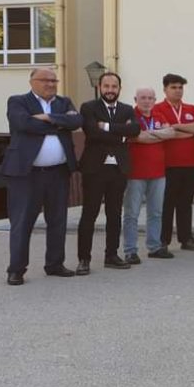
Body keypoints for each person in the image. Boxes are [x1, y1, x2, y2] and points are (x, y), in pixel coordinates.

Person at [3, 68, 82, 285]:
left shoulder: (64, 102)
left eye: (53, 80)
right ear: (32, 81)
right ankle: (16, 269)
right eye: (45, 80)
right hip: (26, 175)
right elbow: (23, 124)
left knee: (57, 220)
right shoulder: (18, 101)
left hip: (58, 172)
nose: (50, 84)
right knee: (22, 222)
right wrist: (59, 123)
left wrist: (47, 117)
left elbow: (76, 122)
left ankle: (55, 264)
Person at [76, 71, 140, 274]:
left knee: (115, 214)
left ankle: (111, 255)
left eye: (114, 87)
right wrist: (120, 133)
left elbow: (135, 130)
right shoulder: (88, 107)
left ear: (120, 89)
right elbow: (92, 133)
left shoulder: (127, 109)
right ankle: (84, 259)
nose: (110, 90)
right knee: (89, 214)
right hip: (95, 169)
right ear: (100, 88)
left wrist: (106, 127)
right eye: (106, 86)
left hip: (118, 168)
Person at [153, 73, 194, 252]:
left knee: (186, 203)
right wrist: (187, 131)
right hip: (168, 166)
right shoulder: (157, 109)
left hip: (191, 165)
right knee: (167, 204)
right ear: (165, 89)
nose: (177, 91)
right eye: (173, 87)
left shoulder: (191, 108)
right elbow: (165, 132)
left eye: (180, 87)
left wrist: (175, 126)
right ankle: (163, 240)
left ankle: (186, 238)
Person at [124, 87, 175, 262]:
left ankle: (154, 247)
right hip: (135, 174)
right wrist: (158, 135)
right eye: (143, 98)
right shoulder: (130, 116)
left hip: (158, 173)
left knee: (156, 212)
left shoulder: (159, 116)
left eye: (150, 98)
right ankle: (130, 250)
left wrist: (147, 134)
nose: (147, 101)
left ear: (155, 100)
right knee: (132, 214)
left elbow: (171, 133)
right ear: (135, 99)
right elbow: (136, 137)